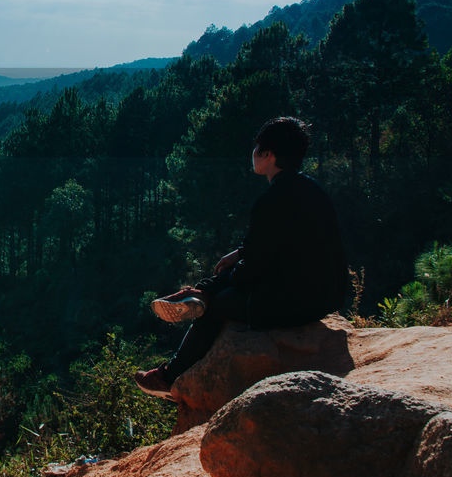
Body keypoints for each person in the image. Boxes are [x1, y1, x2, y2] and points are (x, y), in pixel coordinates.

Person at [135, 116, 349, 398]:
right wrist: (240, 253)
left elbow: (255, 270)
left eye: (257, 147)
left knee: (218, 306)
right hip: (325, 297)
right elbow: (289, 242)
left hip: (293, 304)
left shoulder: (271, 201)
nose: (253, 153)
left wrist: (229, 277)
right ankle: (200, 293)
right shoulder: (313, 190)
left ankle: (169, 375)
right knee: (229, 275)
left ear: (268, 154)